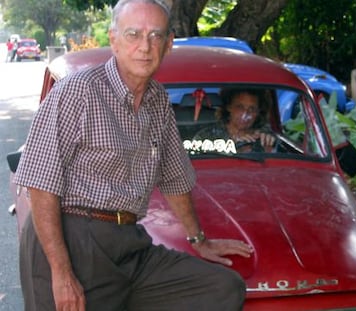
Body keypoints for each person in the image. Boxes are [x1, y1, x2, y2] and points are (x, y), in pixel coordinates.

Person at [15, 0, 253, 310]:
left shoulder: (157, 101)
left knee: (223, 288)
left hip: (129, 243)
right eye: (133, 34)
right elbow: (41, 184)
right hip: (73, 238)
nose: (145, 46)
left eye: (156, 36)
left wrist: (199, 240)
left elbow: (175, 178)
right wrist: (61, 273)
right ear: (113, 40)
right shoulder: (79, 92)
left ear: (168, 44)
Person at [194, 88, 276, 152]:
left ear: (258, 112)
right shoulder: (207, 137)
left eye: (252, 109)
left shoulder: (264, 136)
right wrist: (235, 152)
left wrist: (267, 150)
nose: (245, 114)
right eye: (240, 107)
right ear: (228, 107)